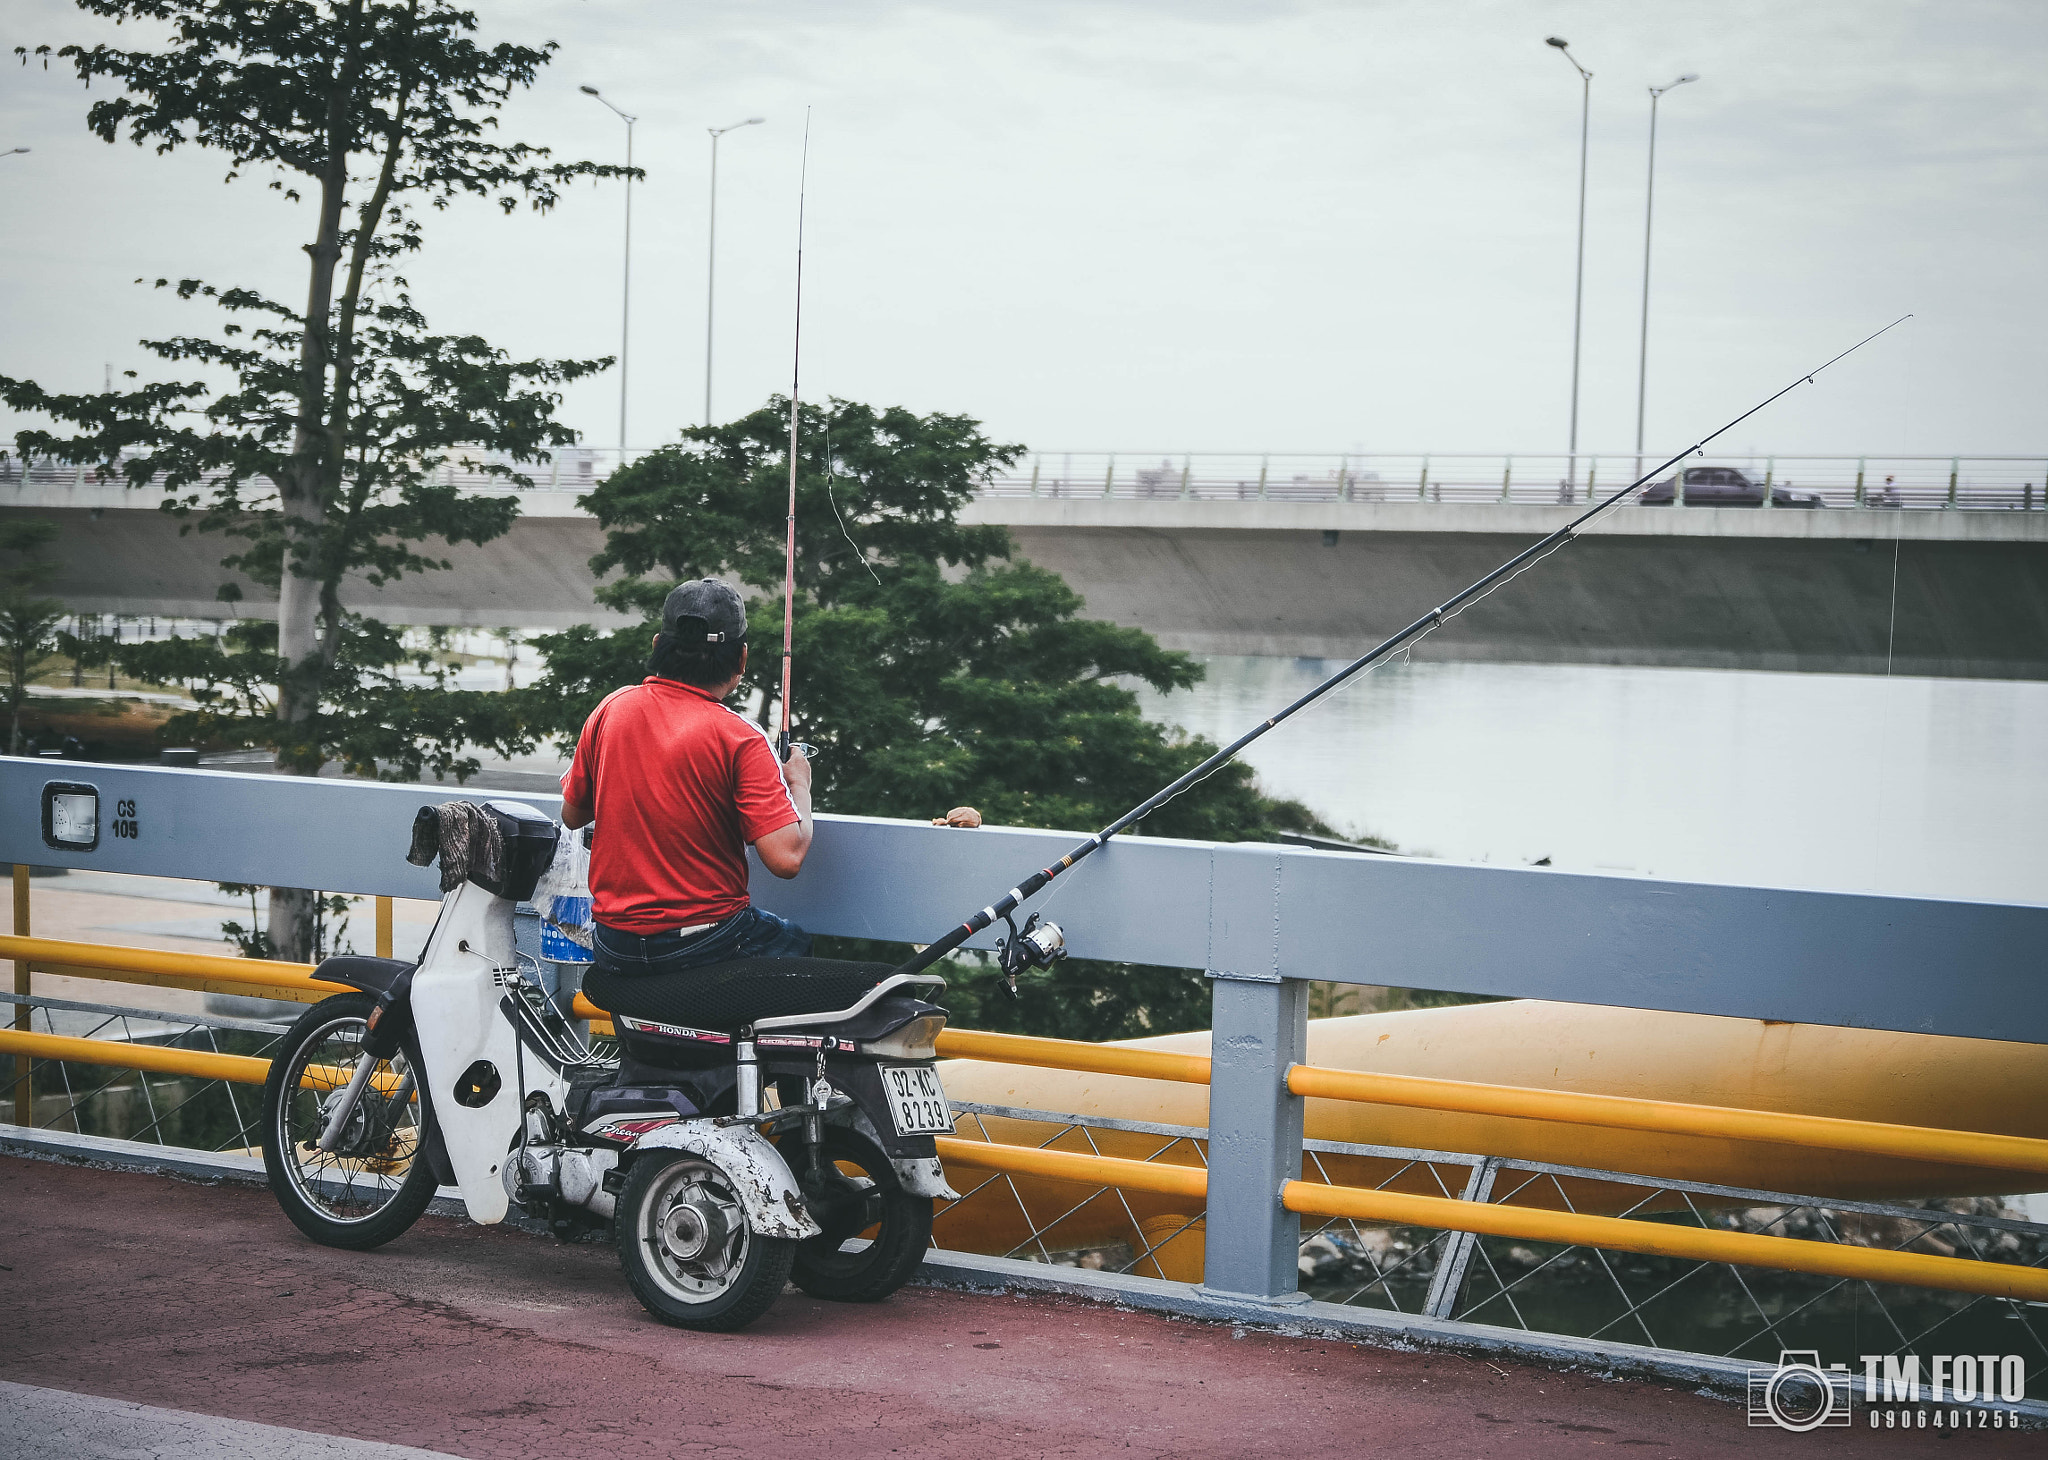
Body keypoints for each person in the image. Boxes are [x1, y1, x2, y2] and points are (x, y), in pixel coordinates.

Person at [559, 579, 815, 979]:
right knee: (796, 944)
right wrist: (799, 783)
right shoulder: (741, 738)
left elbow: (573, 815)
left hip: (613, 942)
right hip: (704, 944)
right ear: (741, 659)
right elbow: (786, 859)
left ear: (660, 643)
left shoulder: (612, 708)